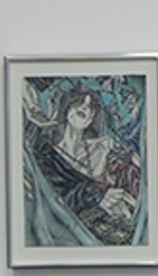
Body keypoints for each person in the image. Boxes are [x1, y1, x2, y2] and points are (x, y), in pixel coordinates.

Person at [24, 80, 145, 246]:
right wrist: (97, 197)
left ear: (90, 120)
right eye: (79, 103)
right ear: (67, 110)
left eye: (90, 107)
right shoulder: (49, 155)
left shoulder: (101, 146)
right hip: (74, 229)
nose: (84, 107)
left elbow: (133, 161)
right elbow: (55, 195)